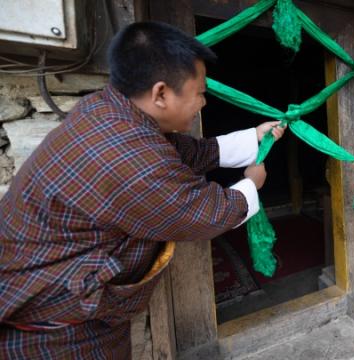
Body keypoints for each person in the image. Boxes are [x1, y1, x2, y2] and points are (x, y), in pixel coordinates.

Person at [0, 21, 285, 359]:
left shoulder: (109, 110)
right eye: (200, 93)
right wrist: (252, 183)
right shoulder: (129, 156)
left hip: (64, 307)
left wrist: (254, 136)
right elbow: (204, 214)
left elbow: (186, 152)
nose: (203, 104)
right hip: (57, 335)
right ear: (161, 94)